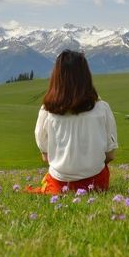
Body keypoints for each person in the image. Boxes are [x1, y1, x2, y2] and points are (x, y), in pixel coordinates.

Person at [25, 49, 118, 195]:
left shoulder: (46, 111)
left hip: (59, 183)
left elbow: (45, 156)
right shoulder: (102, 108)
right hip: (95, 183)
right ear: (86, 77)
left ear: (56, 77)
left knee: (49, 180)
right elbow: (110, 155)